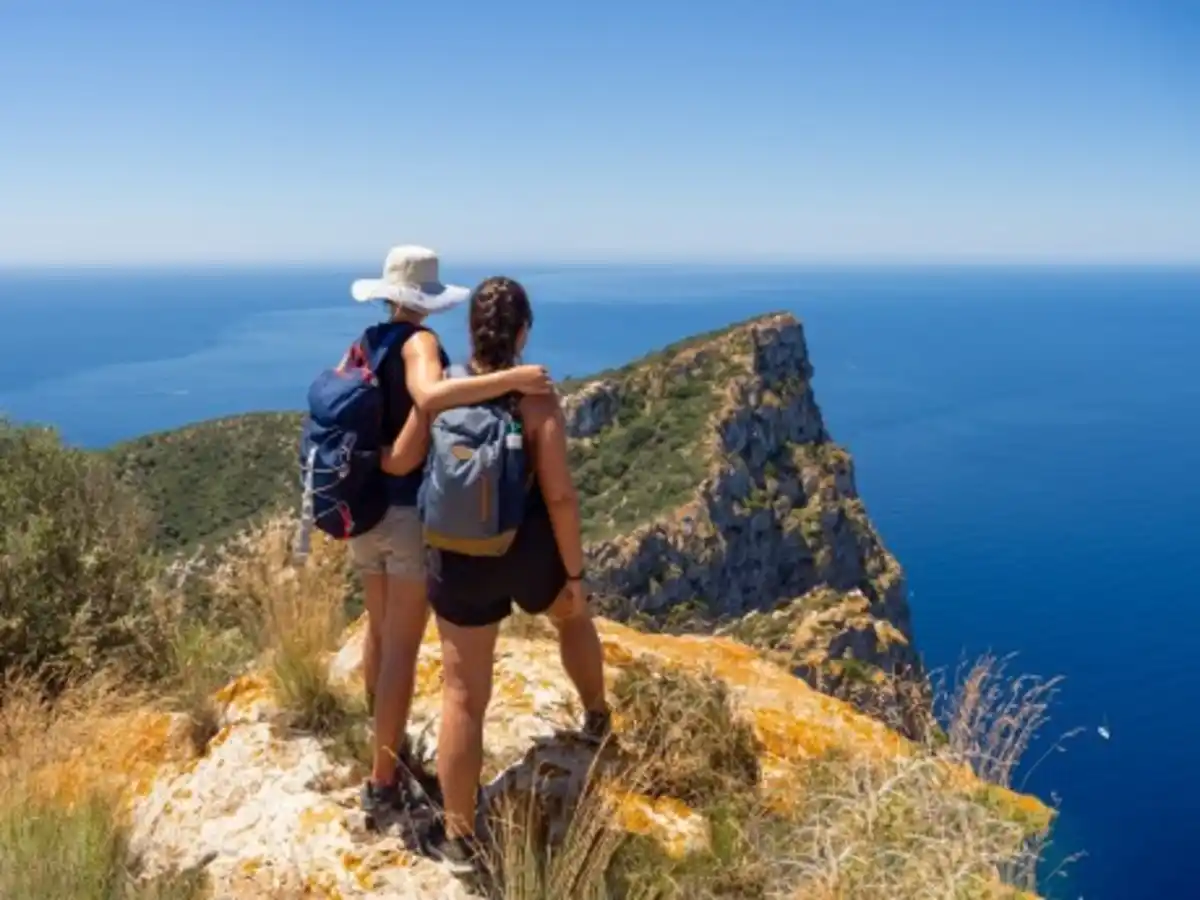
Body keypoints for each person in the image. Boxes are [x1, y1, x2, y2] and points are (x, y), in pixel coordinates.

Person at [347, 247, 554, 822]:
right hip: (403, 515)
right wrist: (512, 379)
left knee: (379, 633)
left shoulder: (368, 341)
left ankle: (382, 745)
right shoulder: (421, 346)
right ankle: (382, 776)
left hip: (363, 515)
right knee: (402, 652)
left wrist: (384, 460)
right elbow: (430, 404)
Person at [419, 275, 611, 871]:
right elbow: (559, 498)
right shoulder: (534, 396)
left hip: (457, 558)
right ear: (523, 330)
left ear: (472, 329)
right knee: (572, 622)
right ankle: (598, 719)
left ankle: (458, 838)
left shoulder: (446, 388)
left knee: (463, 696)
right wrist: (574, 577)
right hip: (526, 551)